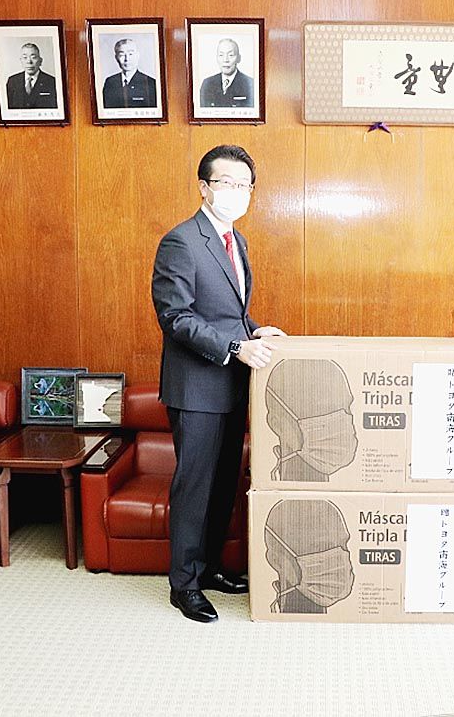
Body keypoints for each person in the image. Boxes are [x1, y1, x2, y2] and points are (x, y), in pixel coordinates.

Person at [152, 144, 285, 623]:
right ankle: (183, 585)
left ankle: (207, 568)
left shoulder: (236, 240)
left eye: (244, 185)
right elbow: (176, 317)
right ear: (204, 187)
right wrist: (234, 346)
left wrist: (255, 331)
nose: (236, 192)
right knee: (195, 486)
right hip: (196, 388)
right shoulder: (181, 241)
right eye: (226, 182)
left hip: (231, 385)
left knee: (223, 484)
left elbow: (231, 313)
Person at [101, 38, 157, 108]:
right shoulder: (110, 82)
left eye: (130, 54)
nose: (126, 59)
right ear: (116, 58)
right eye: (122, 55)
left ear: (137, 56)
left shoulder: (150, 83)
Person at [198, 38, 254, 108]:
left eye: (231, 55)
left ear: (238, 58)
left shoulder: (250, 84)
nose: (225, 60)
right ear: (217, 58)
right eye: (221, 55)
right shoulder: (207, 84)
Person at [5, 43, 57, 109]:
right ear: (21, 61)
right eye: (25, 57)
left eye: (33, 57)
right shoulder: (12, 81)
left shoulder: (52, 82)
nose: (29, 61)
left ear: (40, 61)